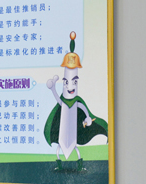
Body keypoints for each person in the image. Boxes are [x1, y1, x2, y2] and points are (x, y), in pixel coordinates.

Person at [43, 32, 108, 171]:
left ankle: (79, 166)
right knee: (59, 150)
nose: (70, 87)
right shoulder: (63, 102)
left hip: (73, 134)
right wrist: (53, 89)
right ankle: (59, 166)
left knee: (76, 150)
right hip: (62, 134)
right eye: (66, 83)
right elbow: (59, 100)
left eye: (74, 82)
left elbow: (84, 110)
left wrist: (88, 118)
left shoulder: (77, 102)